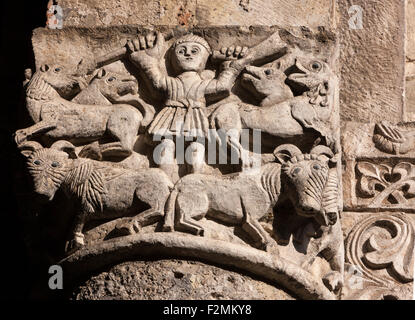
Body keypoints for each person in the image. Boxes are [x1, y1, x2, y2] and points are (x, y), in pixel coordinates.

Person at [127, 32, 248, 179]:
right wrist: (146, 60)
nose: (188, 54)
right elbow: (157, 83)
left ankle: (195, 179)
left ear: (205, 59)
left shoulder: (203, 84)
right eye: (181, 51)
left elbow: (222, 87)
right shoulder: (172, 82)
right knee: (166, 147)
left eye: (195, 51)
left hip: (195, 117)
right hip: (170, 116)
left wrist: (230, 67)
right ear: (171, 60)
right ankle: (162, 179)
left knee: (196, 148)